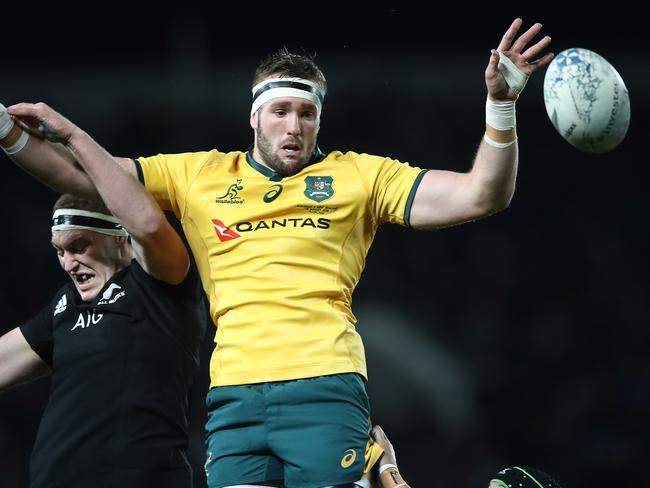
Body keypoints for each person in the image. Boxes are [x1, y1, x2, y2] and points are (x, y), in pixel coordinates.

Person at [1, 17, 553, 488]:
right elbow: (77, 175)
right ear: (254, 116)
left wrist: (499, 107)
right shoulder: (199, 174)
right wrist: (7, 129)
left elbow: (483, 194)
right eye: (281, 111)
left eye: (306, 114)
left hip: (323, 384)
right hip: (234, 399)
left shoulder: (358, 175)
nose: (294, 126)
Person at [0, 137, 208, 485]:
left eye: (79, 245)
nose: (67, 262)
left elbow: (151, 226)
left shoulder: (160, 286)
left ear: (121, 238)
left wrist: (69, 136)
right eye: (59, 250)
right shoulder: (65, 305)